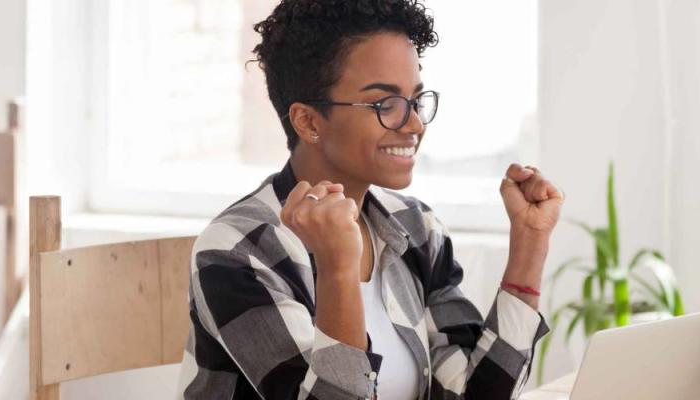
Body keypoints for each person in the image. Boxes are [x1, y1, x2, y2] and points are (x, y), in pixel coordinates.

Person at [181, 1, 564, 398]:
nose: (414, 124)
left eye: (415, 101)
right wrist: (338, 271)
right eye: (386, 105)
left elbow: (475, 395)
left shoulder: (418, 230)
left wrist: (529, 244)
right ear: (308, 121)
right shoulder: (237, 251)